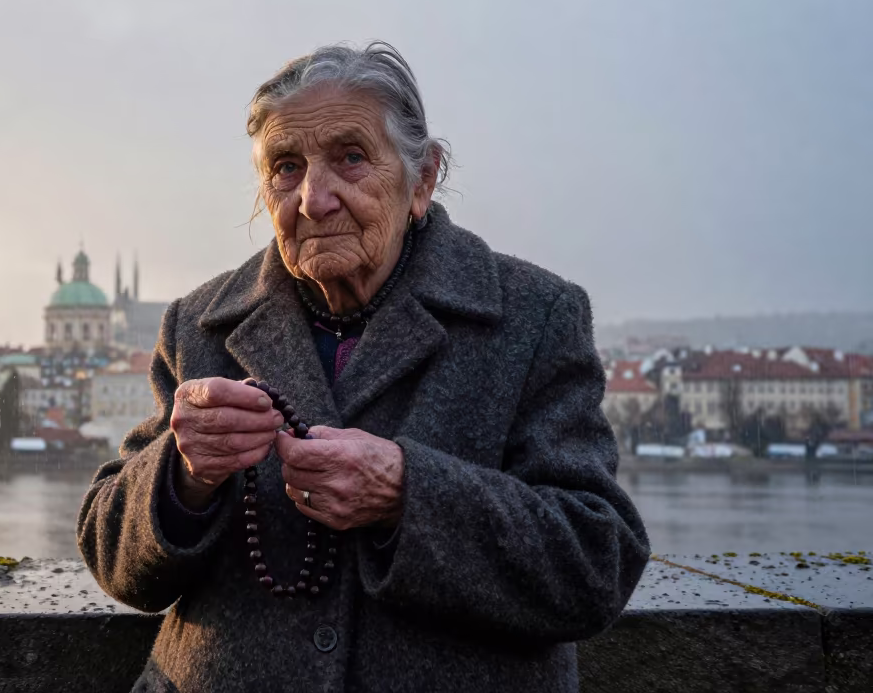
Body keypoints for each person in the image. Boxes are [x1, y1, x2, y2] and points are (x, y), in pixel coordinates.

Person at [78, 41, 649, 693]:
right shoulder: (200, 322)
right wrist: (181, 476)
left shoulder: (535, 317)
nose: (315, 199)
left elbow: (596, 563)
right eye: (286, 168)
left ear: (423, 179)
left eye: (350, 159)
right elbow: (111, 556)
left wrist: (409, 494)